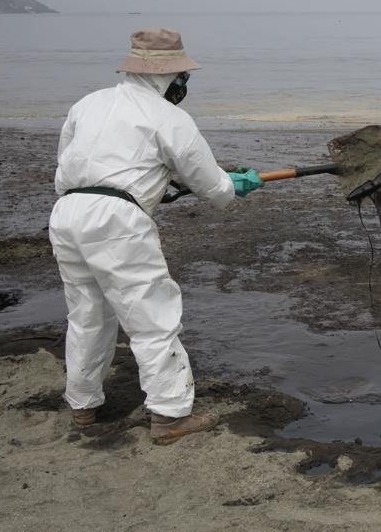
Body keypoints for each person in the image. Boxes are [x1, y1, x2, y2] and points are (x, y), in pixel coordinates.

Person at [48, 28, 265, 445]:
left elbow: (75, 166)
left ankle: (83, 406)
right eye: (183, 76)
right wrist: (235, 184)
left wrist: (155, 185)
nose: (184, 84)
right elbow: (213, 187)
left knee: (87, 314)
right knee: (152, 317)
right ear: (171, 75)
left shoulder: (87, 104)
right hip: (117, 221)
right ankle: (169, 416)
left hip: (68, 211)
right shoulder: (169, 117)